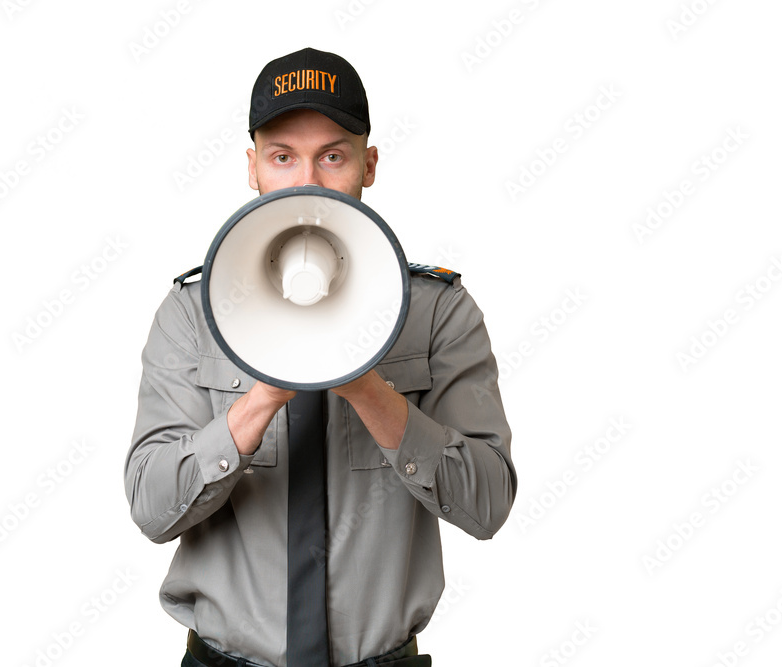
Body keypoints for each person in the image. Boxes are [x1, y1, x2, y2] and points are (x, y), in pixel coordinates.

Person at [126, 47, 517, 667]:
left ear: (370, 163)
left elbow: (487, 505)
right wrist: (261, 399)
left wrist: (366, 387)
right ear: (253, 167)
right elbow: (152, 510)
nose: (308, 181)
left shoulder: (440, 311)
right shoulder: (191, 314)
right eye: (283, 157)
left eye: (333, 155)